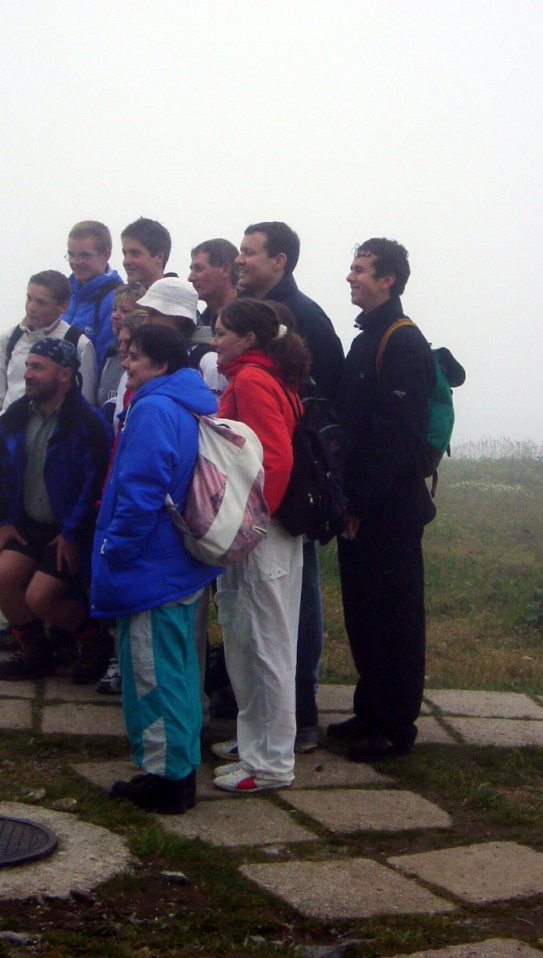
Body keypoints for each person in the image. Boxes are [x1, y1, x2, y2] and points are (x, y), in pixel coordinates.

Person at [91, 325, 222, 814]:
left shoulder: (153, 409)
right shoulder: (189, 404)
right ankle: (180, 769)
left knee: (151, 673)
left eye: (136, 356)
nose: (126, 363)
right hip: (180, 563)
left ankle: (165, 780)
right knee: (180, 670)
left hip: (150, 566)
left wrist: (116, 552)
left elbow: (142, 491)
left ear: (162, 365)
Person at [236, 221, 345, 753]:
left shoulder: (303, 316)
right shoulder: (258, 311)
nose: (240, 260)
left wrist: (281, 500)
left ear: (280, 260)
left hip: (290, 490)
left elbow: (324, 406)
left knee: (293, 600)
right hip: (273, 488)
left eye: (250, 252)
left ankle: (299, 711)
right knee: (268, 605)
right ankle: (269, 714)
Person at [329, 238, 436, 762]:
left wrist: (359, 504)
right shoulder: (368, 337)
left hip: (388, 510)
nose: (351, 277)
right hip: (364, 505)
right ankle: (370, 711)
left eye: (360, 270)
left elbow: (394, 435)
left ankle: (395, 726)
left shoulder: (403, 342)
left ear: (387, 280)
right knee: (365, 614)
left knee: (394, 617)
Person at [211, 298, 308, 793]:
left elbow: (276, 458)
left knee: (263, 643)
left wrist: (249, 526)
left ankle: (270, 764)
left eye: (222, 333)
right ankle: (256, 746)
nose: (214, 341)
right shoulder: (267, 376)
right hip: (270, 530)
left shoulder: (251, 380)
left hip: (259, 533)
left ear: (248, 340)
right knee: (256, 640)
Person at [0, 338, 111, 684]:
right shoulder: (17, 414)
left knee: (40, 598)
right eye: (27, 366)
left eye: (38, 367)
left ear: (65, 375)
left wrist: (72, 534)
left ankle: (95, 642)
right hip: (28, 524)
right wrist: (3, 521)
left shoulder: (87, 422)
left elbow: (96, 484)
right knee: (2, 578)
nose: (28, 374)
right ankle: (36, 654)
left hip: (70, 530)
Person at [0, 270, 97, 428]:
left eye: (41, 302)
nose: (31, 307)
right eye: (29, 298)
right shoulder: (10, 337)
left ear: (63, 307)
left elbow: (86, 403)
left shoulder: (78, 344)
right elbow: (1, 393)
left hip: (53, 434)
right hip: (9, 430)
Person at [135, 278, 225, 400]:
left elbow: (215, 410)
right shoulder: (157, 355)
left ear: (180, 318)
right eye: (146, 314)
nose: (146, 322)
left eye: (154, 314)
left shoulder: (207, 360)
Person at [64, 220, 123, 367]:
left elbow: (106, 359)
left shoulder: (115, 300)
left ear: (106, 256)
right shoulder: (65, 291)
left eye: (84, 255)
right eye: (71, 255)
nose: (76, 262)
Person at [95, 283, 146, 427]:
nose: (116, 315)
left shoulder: (146, 363)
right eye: (114, 309)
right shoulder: (110, 352)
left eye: (124, 310)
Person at [188, 238, 238, 329]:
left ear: (225, 270)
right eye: (192, 270)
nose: (190, 278)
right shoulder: (196, 327)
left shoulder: (255, 319)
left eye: (199, 269)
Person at [121, 217, 172, 289]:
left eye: (135, 254)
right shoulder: (118, 295)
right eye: (125, 254)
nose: (126, 261)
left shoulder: (178, 295)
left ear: (159, 257)